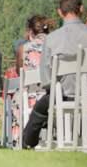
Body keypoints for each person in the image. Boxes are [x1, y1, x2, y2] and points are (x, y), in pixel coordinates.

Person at [23, 0, 87, 149]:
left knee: (38, 110)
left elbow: (46, 79)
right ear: (81, 9)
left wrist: (57, 89)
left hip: (62, 95)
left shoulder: (52, 39)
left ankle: (27, 144)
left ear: (60, 12)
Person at [10, 15, 56, 145]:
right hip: (53, 97)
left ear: (31, 31)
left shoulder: (23, 49)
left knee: (19, 95)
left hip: (30, 98)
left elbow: (20, 73)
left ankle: (20, 141)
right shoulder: (56, 46)